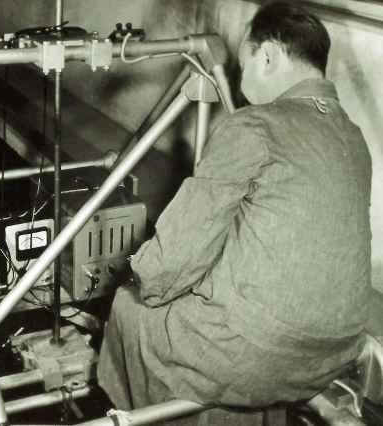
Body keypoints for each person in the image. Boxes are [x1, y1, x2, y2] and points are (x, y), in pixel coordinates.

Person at [97, 0, 372, 414]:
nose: (241, 85)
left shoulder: (254, 124)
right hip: (335, 350)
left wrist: (141, 278)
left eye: (243, 68)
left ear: (268, 56)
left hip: (253, 355)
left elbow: (174, 257)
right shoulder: (353, 137)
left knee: (129, 308)